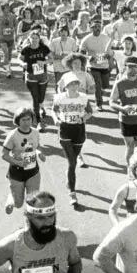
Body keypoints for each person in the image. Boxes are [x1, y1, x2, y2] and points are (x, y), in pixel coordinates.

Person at [51, 72, 94, 208]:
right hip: (65, 130)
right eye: (71, 84)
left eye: (76, 83)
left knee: (72, 162)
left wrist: (84, 118)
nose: (74, 86)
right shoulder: (60, 98)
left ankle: (69, 179)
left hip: (79, 131)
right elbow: (53, 110)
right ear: (66, 86)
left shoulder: (83, 97)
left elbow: (90, 112)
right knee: (72, 162)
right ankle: (72, 192)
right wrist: (56, 120)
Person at [2, 108, 46, 216]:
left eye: (29, 119)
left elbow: (35, 147)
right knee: (18, 204)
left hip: (33, 172)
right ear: (18, 121)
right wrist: (18, 163)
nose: (27, 122)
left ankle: (30, 223)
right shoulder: (13, 135)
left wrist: (39, 153)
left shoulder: (35, 132)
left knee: (33, 201)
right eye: (23, 120)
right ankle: (11, 198)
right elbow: (4, 155)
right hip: (17, 172)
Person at [110, 56, 137, 162]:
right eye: (130, 67)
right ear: (125, 67)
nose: (133, 69)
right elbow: (111, 102)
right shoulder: (120, 83)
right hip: (126, 121)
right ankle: (130, 172)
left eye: (135, 67)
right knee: (130, 148)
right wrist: (122, 108)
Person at [20, 31, 52, 132]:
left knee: (41, 97)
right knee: (35, 98)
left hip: (42, 75)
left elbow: (51, 59)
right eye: (32, 38)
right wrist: (22, 64)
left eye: (36, 38)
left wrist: (44, 62)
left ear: (39, 38)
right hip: (31, 75)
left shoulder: (44, 48)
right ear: (29, 39)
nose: (34, 40)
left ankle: (41, 105)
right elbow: (19, 59)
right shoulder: (26, 49)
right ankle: (38, 121)